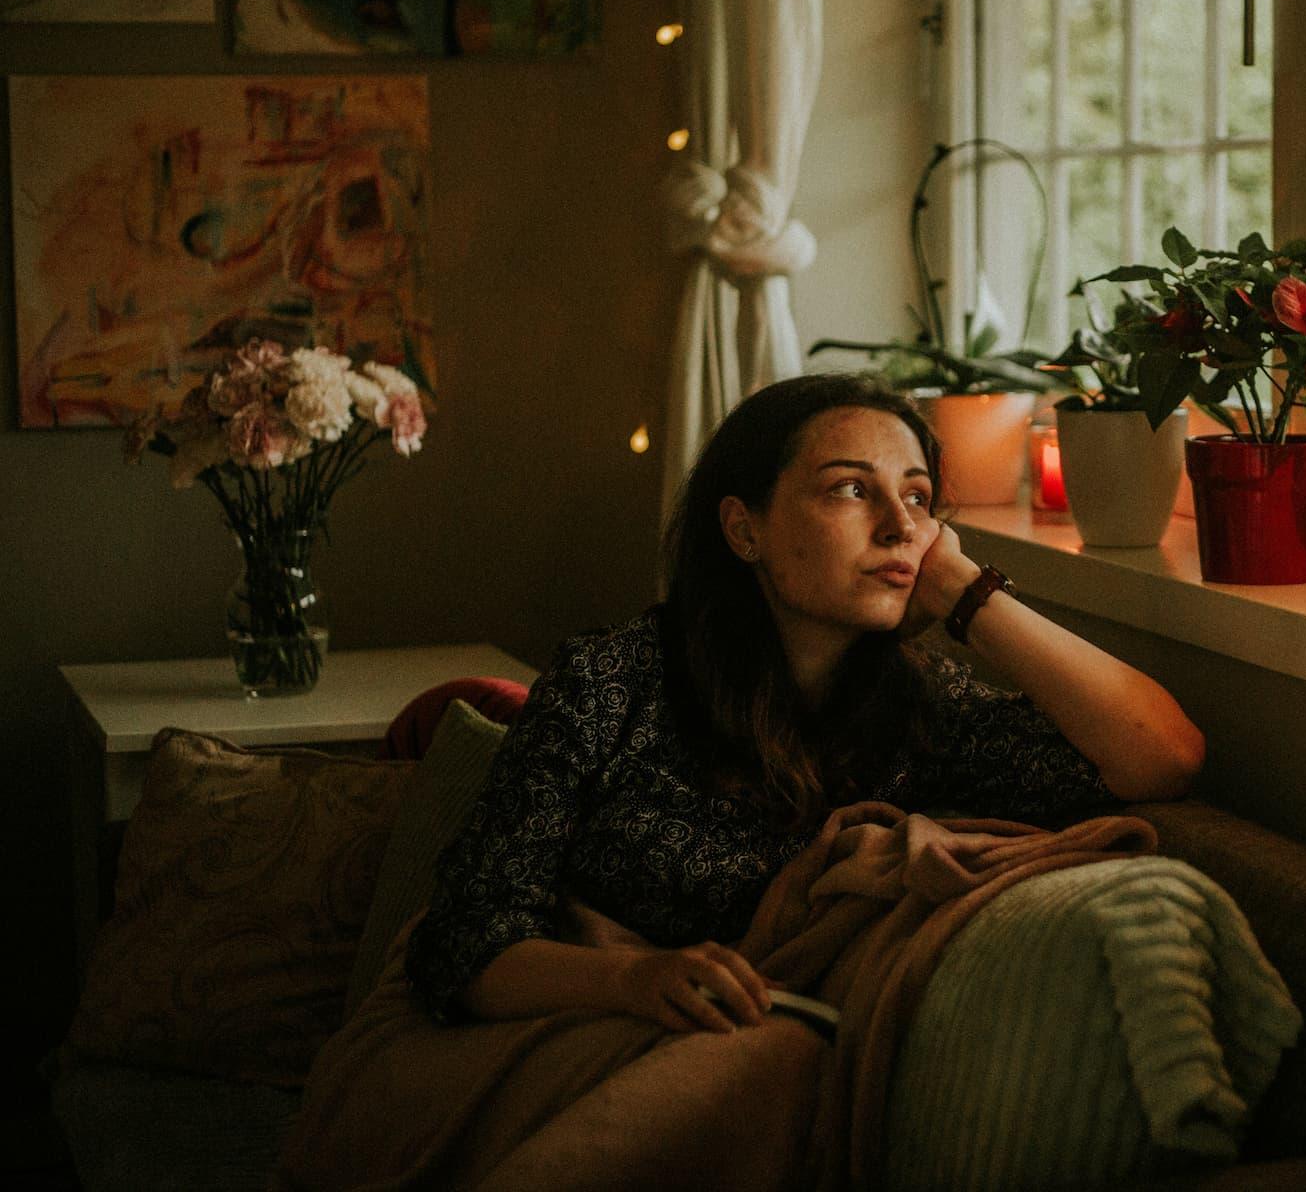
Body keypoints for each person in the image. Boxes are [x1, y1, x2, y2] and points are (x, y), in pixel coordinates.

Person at [403, 372, 1205, 1036]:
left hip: (769, 1078)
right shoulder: (609, 684)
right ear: (744, 530)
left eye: (920, 499)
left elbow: (1161, 757)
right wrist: (634, 979)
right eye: (852, 490)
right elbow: (463, 942)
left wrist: (968, 592)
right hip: (577, 1041)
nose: (900, 527)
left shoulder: (925, 710)